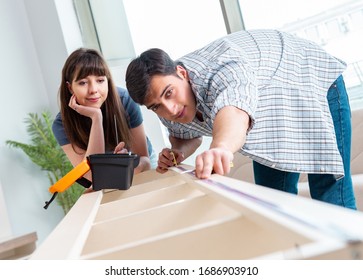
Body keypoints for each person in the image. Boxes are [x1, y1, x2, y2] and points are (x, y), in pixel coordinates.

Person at [125, 29, 356, 209]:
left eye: (169, 93)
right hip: (271, 110)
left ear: (181, 73)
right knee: (271, 202)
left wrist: (221, 148)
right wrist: (179, 151)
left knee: (330, 194)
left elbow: (234, 111)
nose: (170, 109)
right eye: (157, 106)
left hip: (312, 81)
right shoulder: (166, 104)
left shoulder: (222, 68)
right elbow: (185, 134)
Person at [52, 48, 157, 184]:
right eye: (83, 82)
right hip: (105, 180)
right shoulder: (62, 124)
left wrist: (130, 164)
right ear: (70, 87)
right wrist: (96, 118)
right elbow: (93, 176)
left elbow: (145, 161)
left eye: (100, 80)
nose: (93, 89)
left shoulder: (124, 100)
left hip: (140, 169)